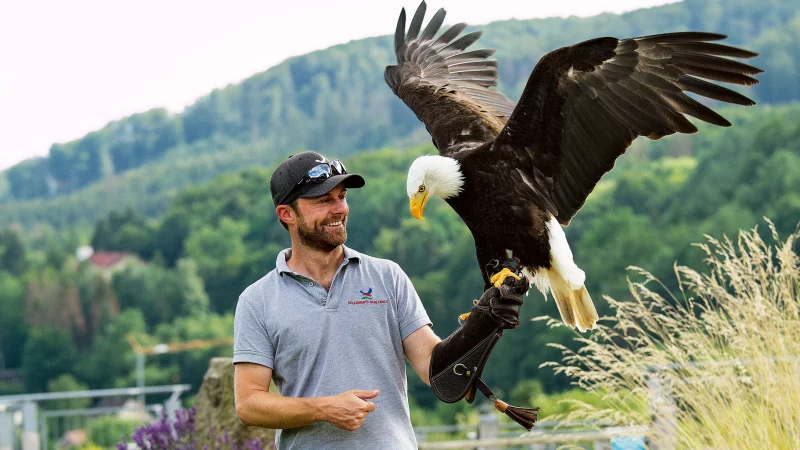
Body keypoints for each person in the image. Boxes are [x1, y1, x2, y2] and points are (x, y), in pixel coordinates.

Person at [233, 151, 528, 449]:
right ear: (287, 214)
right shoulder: (258, 301)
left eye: (342, 196)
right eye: (324, 200)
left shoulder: (387, 277)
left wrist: (484, 321)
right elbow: (249, 404)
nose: (340, 209)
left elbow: (433, 367)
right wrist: (324, 409)